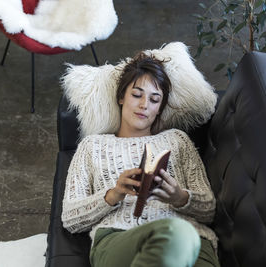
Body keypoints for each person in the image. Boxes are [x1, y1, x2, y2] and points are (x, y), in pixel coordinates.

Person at [61, 52, 220, 267]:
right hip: (120, 238)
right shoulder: (92, 146)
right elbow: (71, 218)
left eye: (154, 100)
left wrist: (179, 197)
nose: (145, 104)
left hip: (193, 243)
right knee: (177, 234)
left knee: (181, 236)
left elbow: (209, 209)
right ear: (121, 97)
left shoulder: (177, 140)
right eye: (137, 95)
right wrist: (113, 195)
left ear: (159, 110)